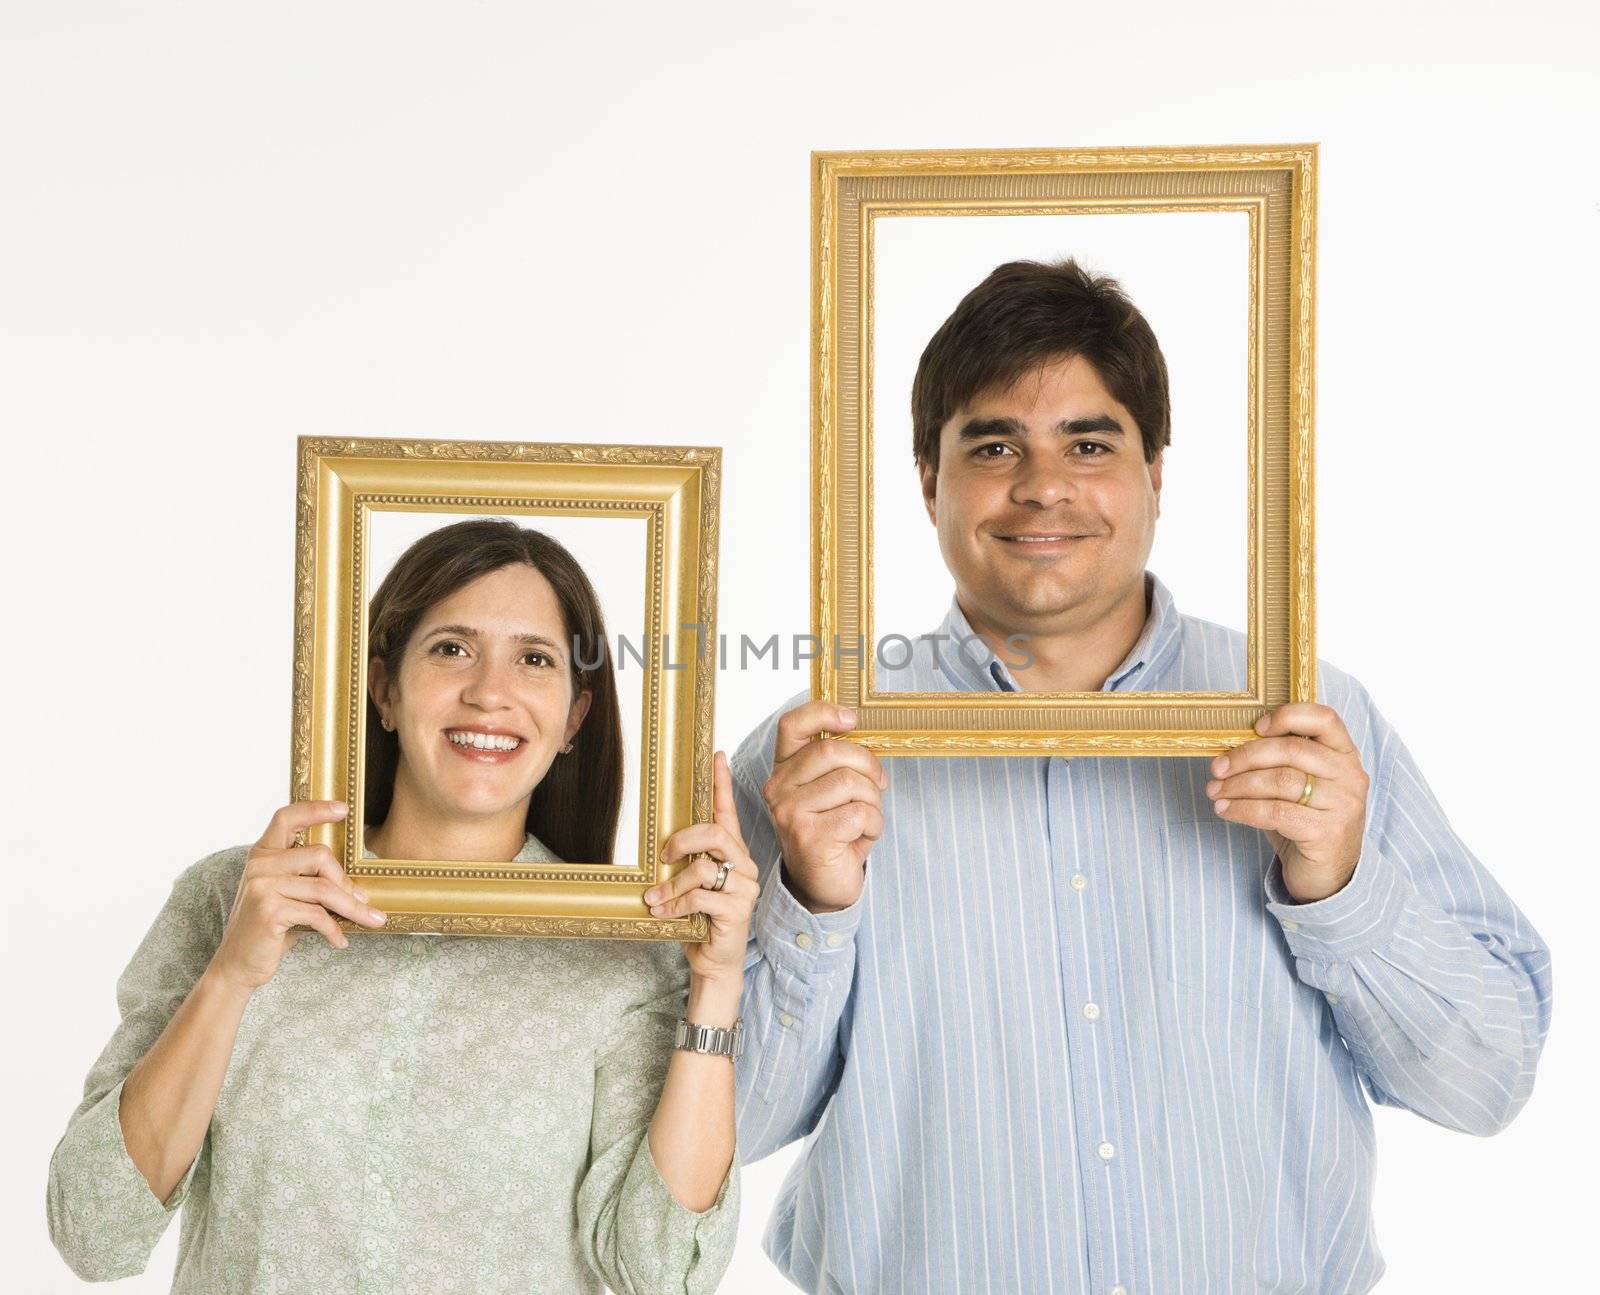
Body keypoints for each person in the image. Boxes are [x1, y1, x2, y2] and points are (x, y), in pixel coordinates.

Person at [698, 260, 1550, 1292]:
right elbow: (711, 1140)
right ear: (928, 480)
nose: (1042, 484)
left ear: (1155, 473)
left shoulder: (1311, 722)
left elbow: (1485, 1080)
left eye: (1089, 442)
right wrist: (811, 904)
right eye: (994, 443)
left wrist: (1341, 883)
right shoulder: (810, 760)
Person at [47, 518, 758, 1294]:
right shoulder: (232, 898)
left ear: (573, 719)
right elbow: (95, 1230)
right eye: (452, 648)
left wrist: (716, 987)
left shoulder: (622, 950)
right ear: (384, 688)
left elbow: (662, 1272)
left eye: (534, 658)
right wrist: (230, 976)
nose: (490, 692)